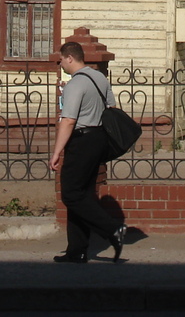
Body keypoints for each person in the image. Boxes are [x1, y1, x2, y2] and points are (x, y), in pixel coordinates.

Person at [49, 41, 127, 263]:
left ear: (70, 58)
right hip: (99, 139)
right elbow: (110, 107)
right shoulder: (99, 78)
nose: (61, 63)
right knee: (82, 193)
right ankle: (78, 250)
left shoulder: (75, 84)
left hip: (82, 141)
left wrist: (57, 152)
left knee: (71, 194)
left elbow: (69, 120)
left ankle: (113, 229)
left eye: (61, 59)